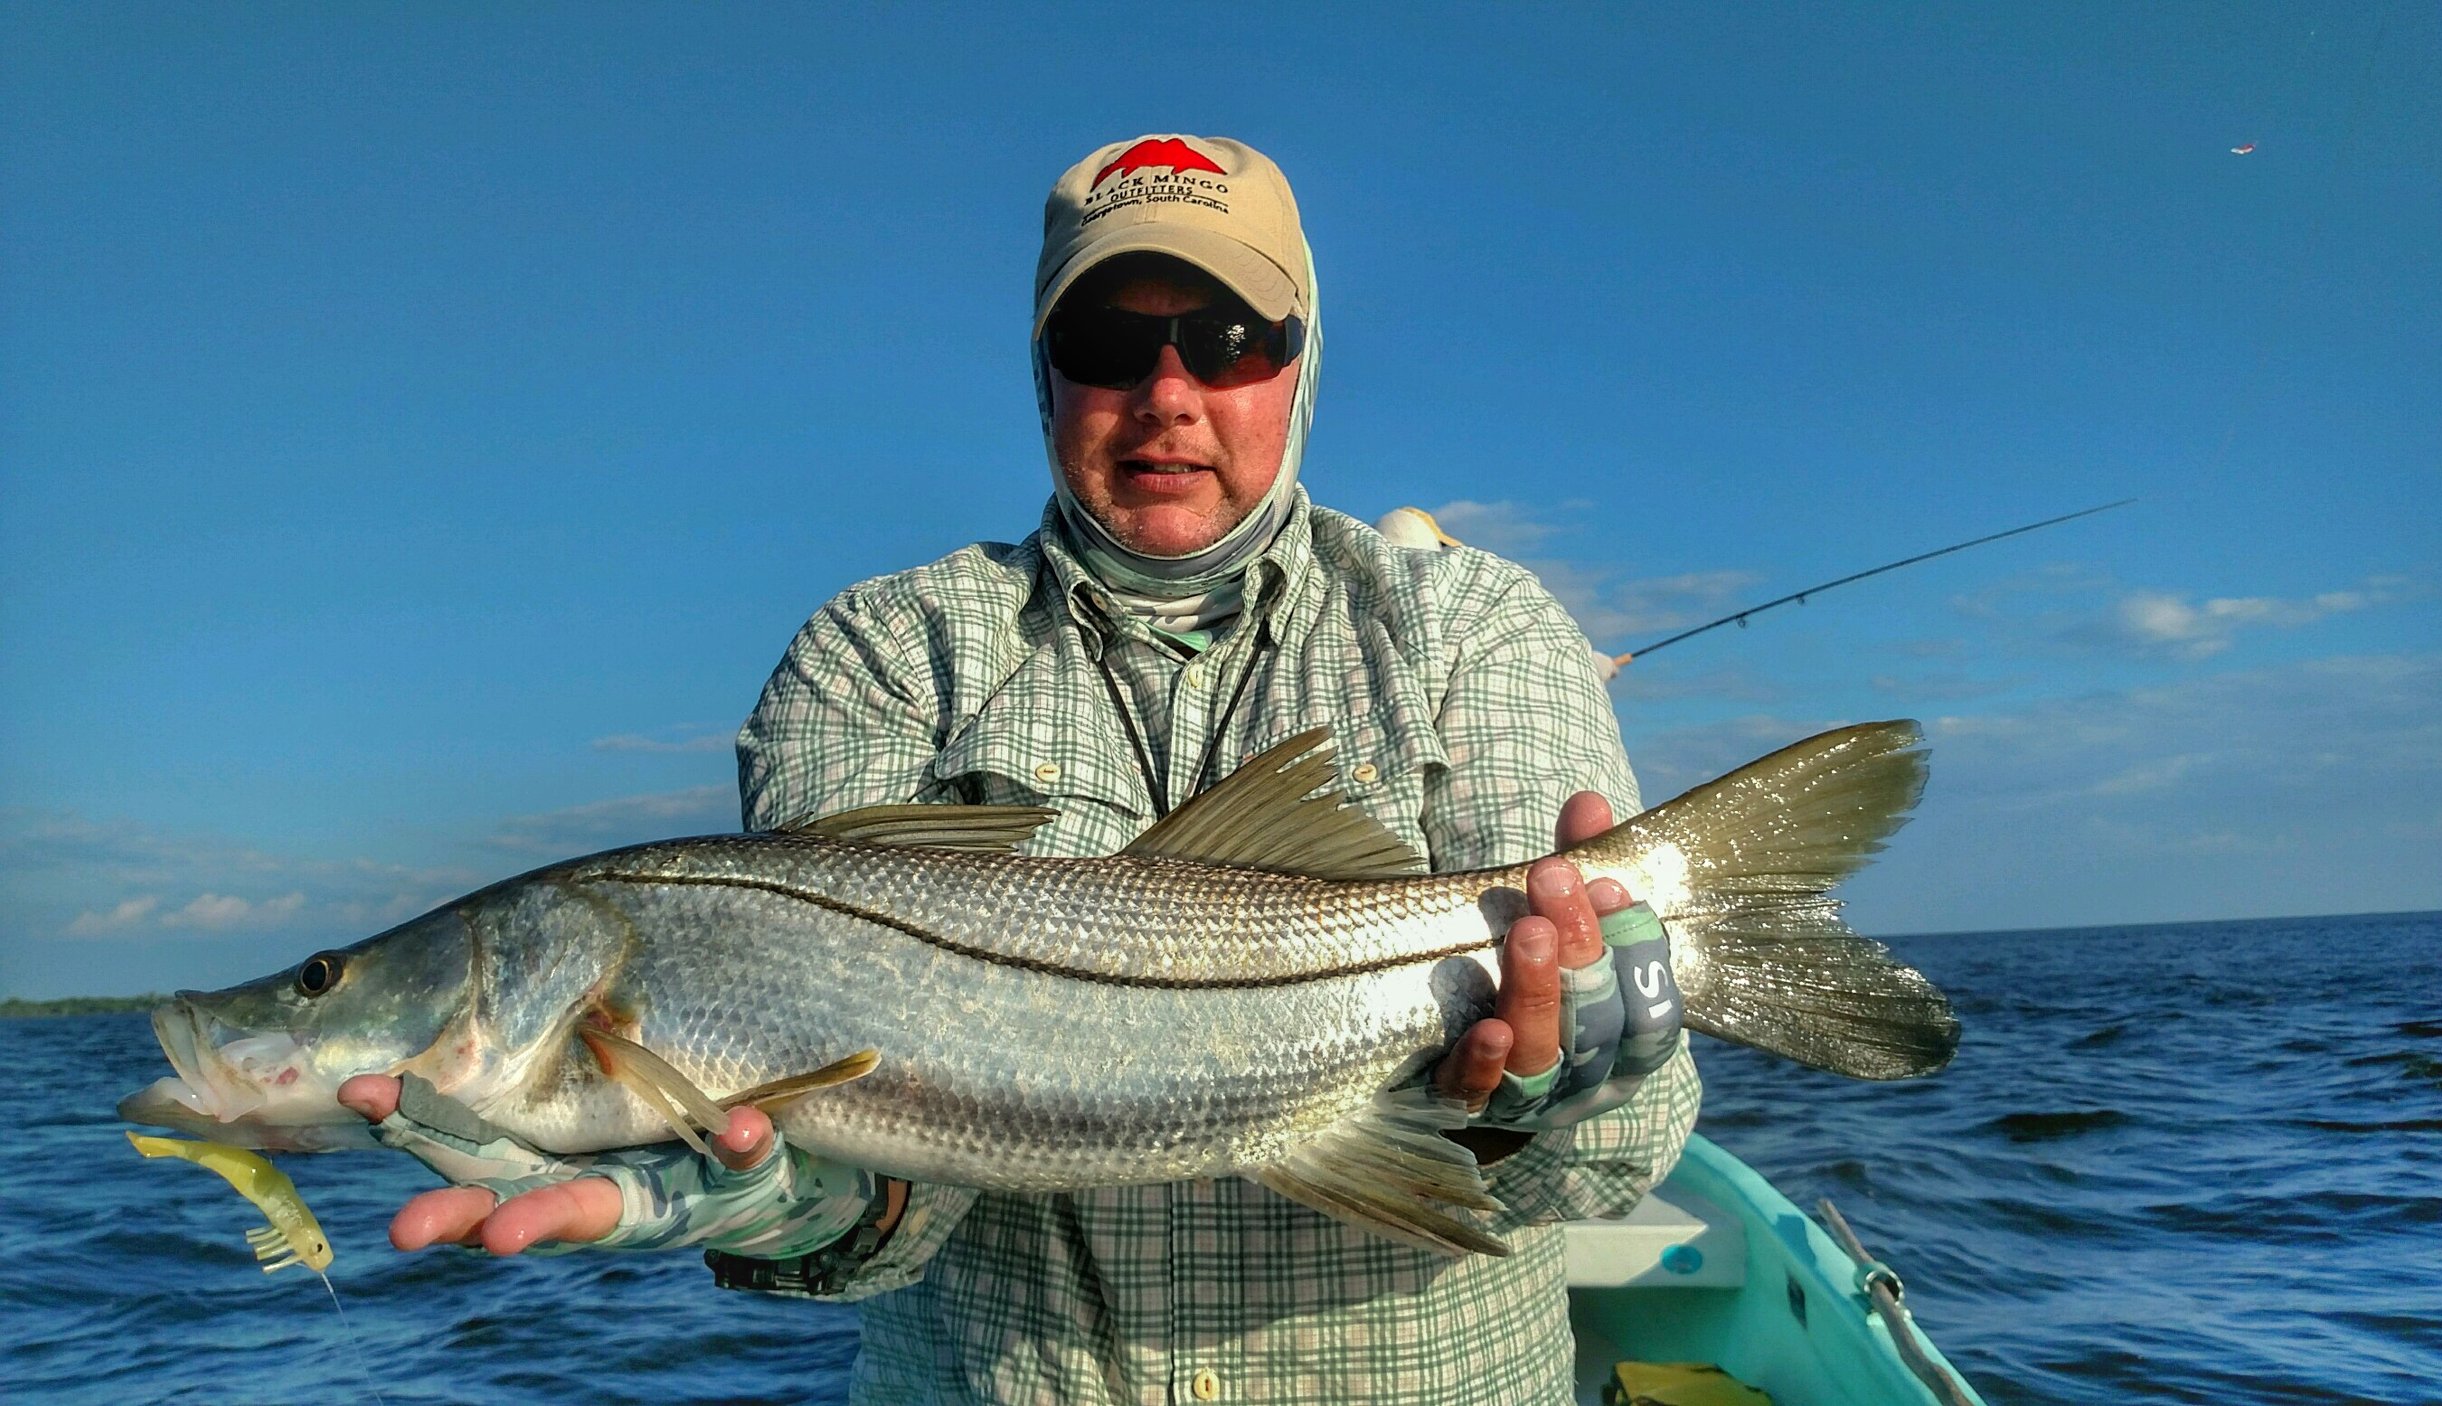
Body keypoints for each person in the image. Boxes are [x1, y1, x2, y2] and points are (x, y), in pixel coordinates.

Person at [340, 133, 1703, 1406]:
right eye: (1108, 340)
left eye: (1227, 338)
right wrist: (755, 1193)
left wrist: (1554, 1085)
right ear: (1041, 370)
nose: (1167, 392)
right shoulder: (879, 653)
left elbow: (1619, 1154)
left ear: (1304, 362)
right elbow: (871, 1199)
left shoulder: (1481, 627)